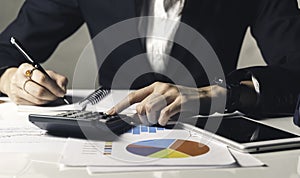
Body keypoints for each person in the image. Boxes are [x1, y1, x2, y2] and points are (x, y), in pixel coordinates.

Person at [0, 0, 300, 126]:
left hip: (211, 138)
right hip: (104, 141)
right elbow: (6, 49)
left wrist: (223, 93)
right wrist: (12, 78)